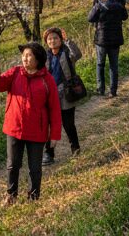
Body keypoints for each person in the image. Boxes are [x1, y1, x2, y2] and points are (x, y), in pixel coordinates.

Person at [0, 41, 62, 204]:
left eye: (29, 55)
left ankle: (34, 197)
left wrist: (55, 134)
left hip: (37, 131)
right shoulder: (15, 73)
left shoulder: (47, 80)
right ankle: (11, 195)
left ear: (38, 59)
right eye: (24, 55)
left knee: (35, 168)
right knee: (12, 165)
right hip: (14, 127)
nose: (25, 58)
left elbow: (55, 109)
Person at [42, 27, 82, 165]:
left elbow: (77, 54)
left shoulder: (66, 53)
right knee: (49, 125)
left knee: (68, 123)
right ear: (46, 42)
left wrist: (68, 41)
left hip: (66, 93)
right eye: (49, 39)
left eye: (55, 38)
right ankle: (49, 153)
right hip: (49, 95)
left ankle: (75, 147)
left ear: (60, 39)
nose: (52, 41)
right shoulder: (45, 56)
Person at [87, 0, 128, 97]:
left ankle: (100, 89)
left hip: (102, 39)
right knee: (113, 65)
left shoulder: (99, 6)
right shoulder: (119, 6)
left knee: (100, 64)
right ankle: (113, 91)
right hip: (115, 38)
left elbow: (90, 18)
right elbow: (125, 17)